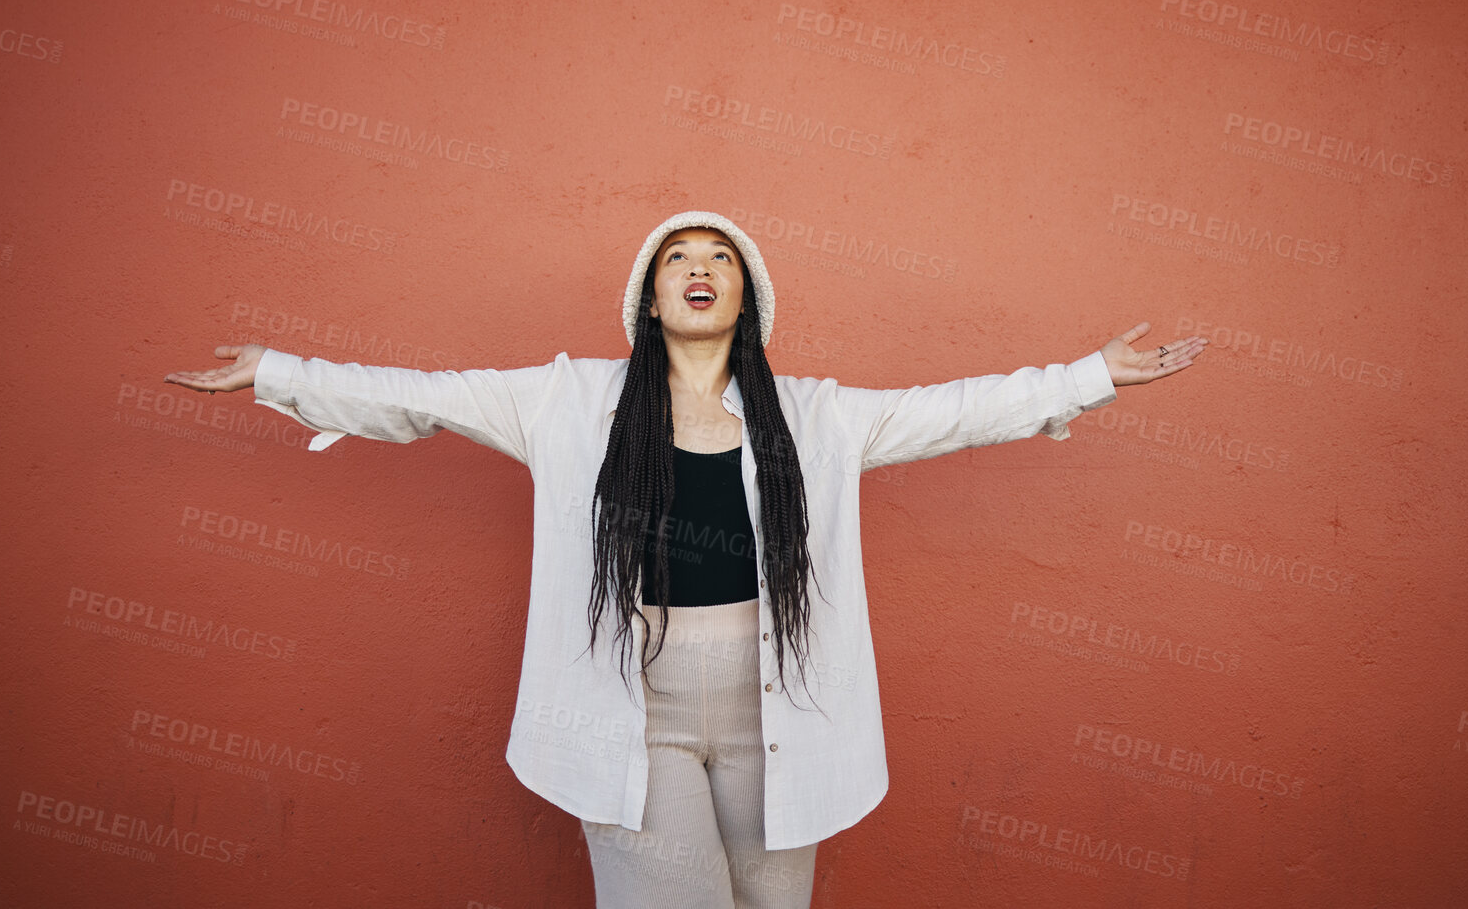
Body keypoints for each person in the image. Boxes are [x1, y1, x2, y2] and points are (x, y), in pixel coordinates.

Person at [165, 209, 1206, 908]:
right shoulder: (565, 401)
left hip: (775, 704)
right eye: (678, 259)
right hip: (635, 714)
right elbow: (421, 394)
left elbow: (958, 411)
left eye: (719, 261)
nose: (699, 271)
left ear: (743, 299)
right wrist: (277, 371)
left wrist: (1088, 374)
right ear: (648, 298)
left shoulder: (813, 417)